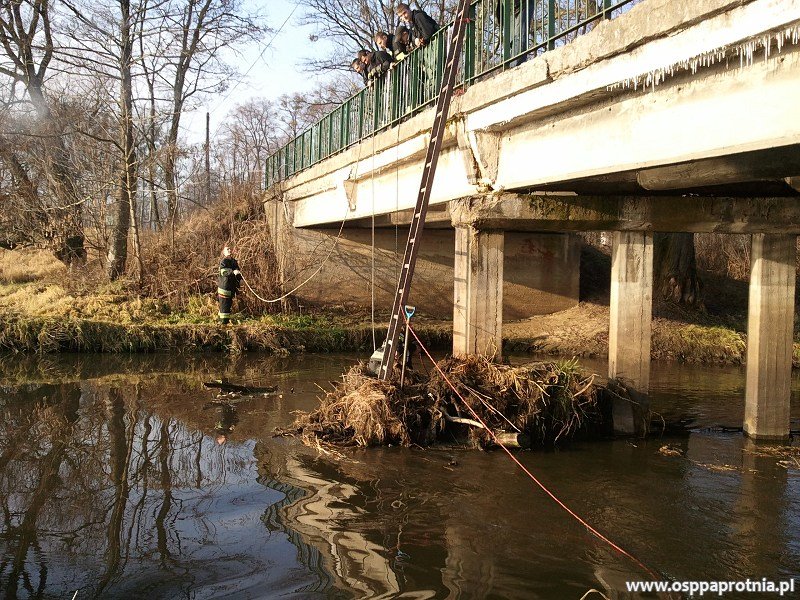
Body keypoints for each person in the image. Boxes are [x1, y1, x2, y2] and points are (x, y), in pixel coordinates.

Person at [217, 245, 241, 325]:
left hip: (231, 288)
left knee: (228, 306)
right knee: (224, 307)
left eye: (230, 248)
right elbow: (224, 272)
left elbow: (238, 273)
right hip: (224, 287)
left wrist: (240, 279)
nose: (229, 250)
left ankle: (223, 322)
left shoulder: (234, 261)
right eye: (227, 249)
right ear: (224, 252)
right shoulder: (224, 261)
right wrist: (232, 272)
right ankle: (223, 324)